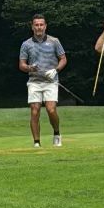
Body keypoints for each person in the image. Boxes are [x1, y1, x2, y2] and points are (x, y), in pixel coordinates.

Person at [18, 15, 67, 149]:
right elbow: (21, 64)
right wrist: (29, 68)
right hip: (34, 81)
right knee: (35, 111)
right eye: (36, 25)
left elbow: (63, 59)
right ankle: (37, 142)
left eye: (41, 25)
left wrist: (55, 70)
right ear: (32, 27)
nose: (39, 27)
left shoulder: (54, 41)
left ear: (45, 26)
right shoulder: (26, 44)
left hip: (51, 80)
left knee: (51, 110)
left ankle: (56, 133)